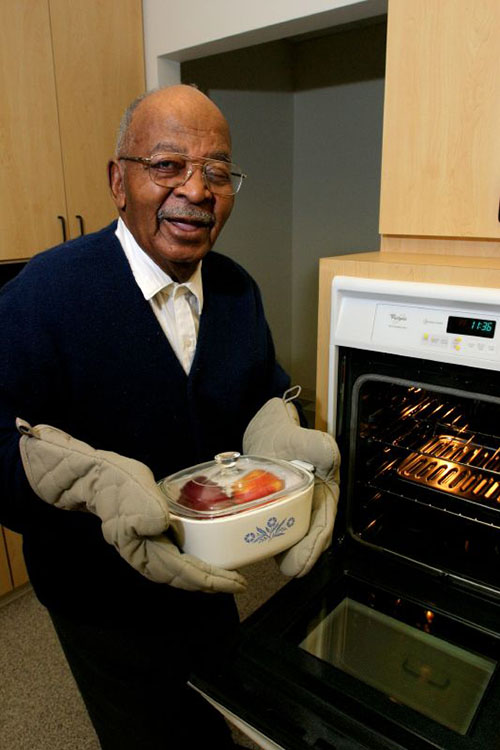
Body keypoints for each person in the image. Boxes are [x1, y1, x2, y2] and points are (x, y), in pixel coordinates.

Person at [0, 84, 339, 749]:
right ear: (117, 182)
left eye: (218, 172)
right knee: (145, 732)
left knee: (219, 708)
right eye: (166, 166)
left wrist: (281, 431)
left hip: (214, 574)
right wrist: (84, 483)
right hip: (97, 597)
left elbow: (259, 392)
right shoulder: (42, 295)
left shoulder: (238, 289)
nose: (197, 189)